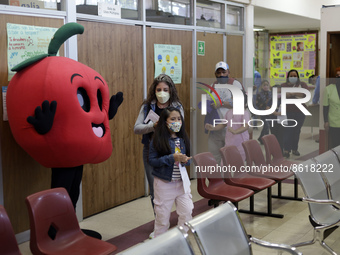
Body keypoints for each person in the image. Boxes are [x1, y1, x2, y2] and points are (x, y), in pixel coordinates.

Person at [134, 74, 184, 218]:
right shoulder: (147, 107)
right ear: (154, 91)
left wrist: (168, 126)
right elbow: (137, 128)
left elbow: (181, 129)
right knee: (155, 189)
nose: (162, 92)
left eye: (165, 89)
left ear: (171, 91)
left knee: (175, 186)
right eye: (159, 89)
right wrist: (152, 126)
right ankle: (160, 223)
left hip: (172, 151)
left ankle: (175, 217)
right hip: (151, 151)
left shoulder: (176, 106)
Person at [148, 107, 192, 238]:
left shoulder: (182, 139)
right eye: (173, 119)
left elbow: (186, 159)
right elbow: (152, 161)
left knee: (187, 211)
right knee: (162, 218)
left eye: (179, 119)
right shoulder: (157, 140)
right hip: (164, 184)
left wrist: (185, 160)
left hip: (181, 183)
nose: (177, 122)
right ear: (165, 122)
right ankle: (160, 245)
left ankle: (181, 239)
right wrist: (172, 158)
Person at [207, 61, 244, 164]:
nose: (221, 75)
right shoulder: (212, 86)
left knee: (231, 157)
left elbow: (239, 102)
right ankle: (218, 179)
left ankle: (232, 179)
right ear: (215, 74)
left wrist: (221, 103)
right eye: (218, 73)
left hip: (231, 128)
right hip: (216, 127)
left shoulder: (235, 84)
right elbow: (209, 103)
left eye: (223, 72)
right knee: (215, 156)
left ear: (228, 72)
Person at [205, 93, 250, 161]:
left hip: (240, 145)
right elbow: (224, 124)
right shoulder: (229, 112)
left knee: (238, 166)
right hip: (229, 143)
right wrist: (214, 128)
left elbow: (246, 126)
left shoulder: (244, 113)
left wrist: (235, 131)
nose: (230, 101)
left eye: (232, 99)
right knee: (225, 163)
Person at [281, 69, 309, 158]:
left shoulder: (303, 84)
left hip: (300, 112)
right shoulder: (283, 85)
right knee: (288, 130)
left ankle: (294, 149)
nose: (293, 77)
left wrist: (291, 93)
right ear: (288, 77)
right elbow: (282, 95)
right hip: (288, 111)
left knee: (296, 131)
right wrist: (297, 93)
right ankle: (286, 150)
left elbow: (305, 94)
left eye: (295, 76)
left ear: (297, 77)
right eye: (291, 76)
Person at [323, 67, 340, 149]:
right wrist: (326, 121)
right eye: (337, 75)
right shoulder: (328, 89)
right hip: (334, 122)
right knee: (336, 145)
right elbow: (325, 107)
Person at [266, 85, 285, 150]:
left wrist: (275, 113)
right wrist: (275, 113)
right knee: (274, 137)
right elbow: (267, 108)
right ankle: (275, 153)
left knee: (281, 137)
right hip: (273, 121)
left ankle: (280, 153)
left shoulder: (283, 99)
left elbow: (284, 110)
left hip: (281, 121)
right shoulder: (271, 99)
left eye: (279, 91)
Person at [256, 80, 271, 144]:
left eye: (267, 85)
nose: (266, 86)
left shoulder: (271, 93)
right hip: (263, 111)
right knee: (266, 126)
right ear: (262, 86)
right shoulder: (259, 94)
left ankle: (261, 138)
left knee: (267, 126)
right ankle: (265, 140)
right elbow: (257, 103)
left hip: (270, 112)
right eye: (264, 85)